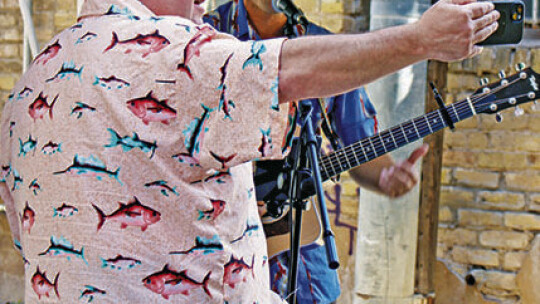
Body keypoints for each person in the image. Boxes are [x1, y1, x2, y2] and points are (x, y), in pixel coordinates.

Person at [0, 0, 498, 303]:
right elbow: (288, 70)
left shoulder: (27, 89)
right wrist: (420, 39)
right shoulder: (179, 51)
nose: (203, 5)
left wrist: (386, 179)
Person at [202, 0, 450, 302]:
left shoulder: (327, 50)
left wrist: (385, 176)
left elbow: (361, 149)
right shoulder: (204, 34)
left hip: (288, 238)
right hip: (212, 239)